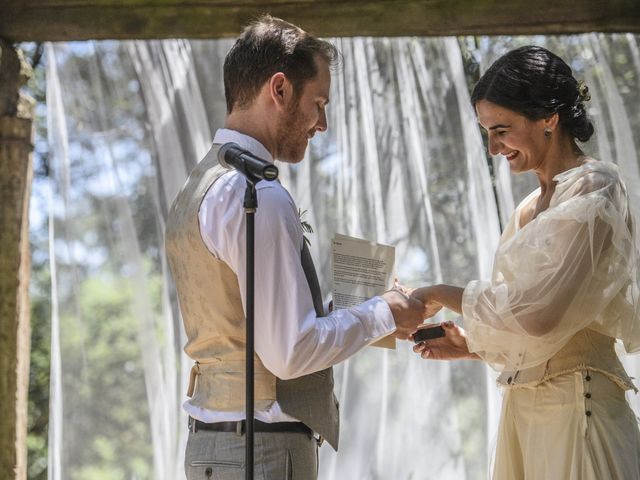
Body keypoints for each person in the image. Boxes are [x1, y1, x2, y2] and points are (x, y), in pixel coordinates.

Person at [165, 15, 428, 480]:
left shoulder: (202, 185)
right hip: (261, 453)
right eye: (319, 103)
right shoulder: (256, 194)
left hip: (216, 446)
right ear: (280, 90)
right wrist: (384, 311)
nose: (322, 124)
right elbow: (289, 353)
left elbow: (252, 328)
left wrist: (342, 311)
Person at [408, 45, 640, 479]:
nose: (494, 147)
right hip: (523, 410)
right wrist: (473, 346)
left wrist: (440, 293)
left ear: (549, 118)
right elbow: (528, 321)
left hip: (576, 409)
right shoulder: (527, 209)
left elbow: (539, 315)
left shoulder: (595, 186)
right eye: (487, 132)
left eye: (502, 129)